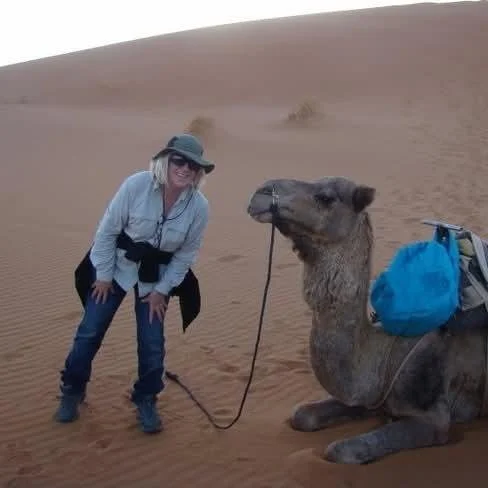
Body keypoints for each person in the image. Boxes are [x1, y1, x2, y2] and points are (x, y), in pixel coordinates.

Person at [54, 133, 215, 433]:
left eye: (193, 166)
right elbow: (106, 232)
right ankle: (72, 390)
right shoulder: (136, 185)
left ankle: (146, 398)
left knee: (152, 343)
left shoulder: (199, 207)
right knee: (89, 331)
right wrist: (102, 275)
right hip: (115, 267)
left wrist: (163, 291)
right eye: (179, 160)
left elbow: (186, 255)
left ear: (198, 173)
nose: (185, 169)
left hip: (157, 278)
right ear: (166, 160)